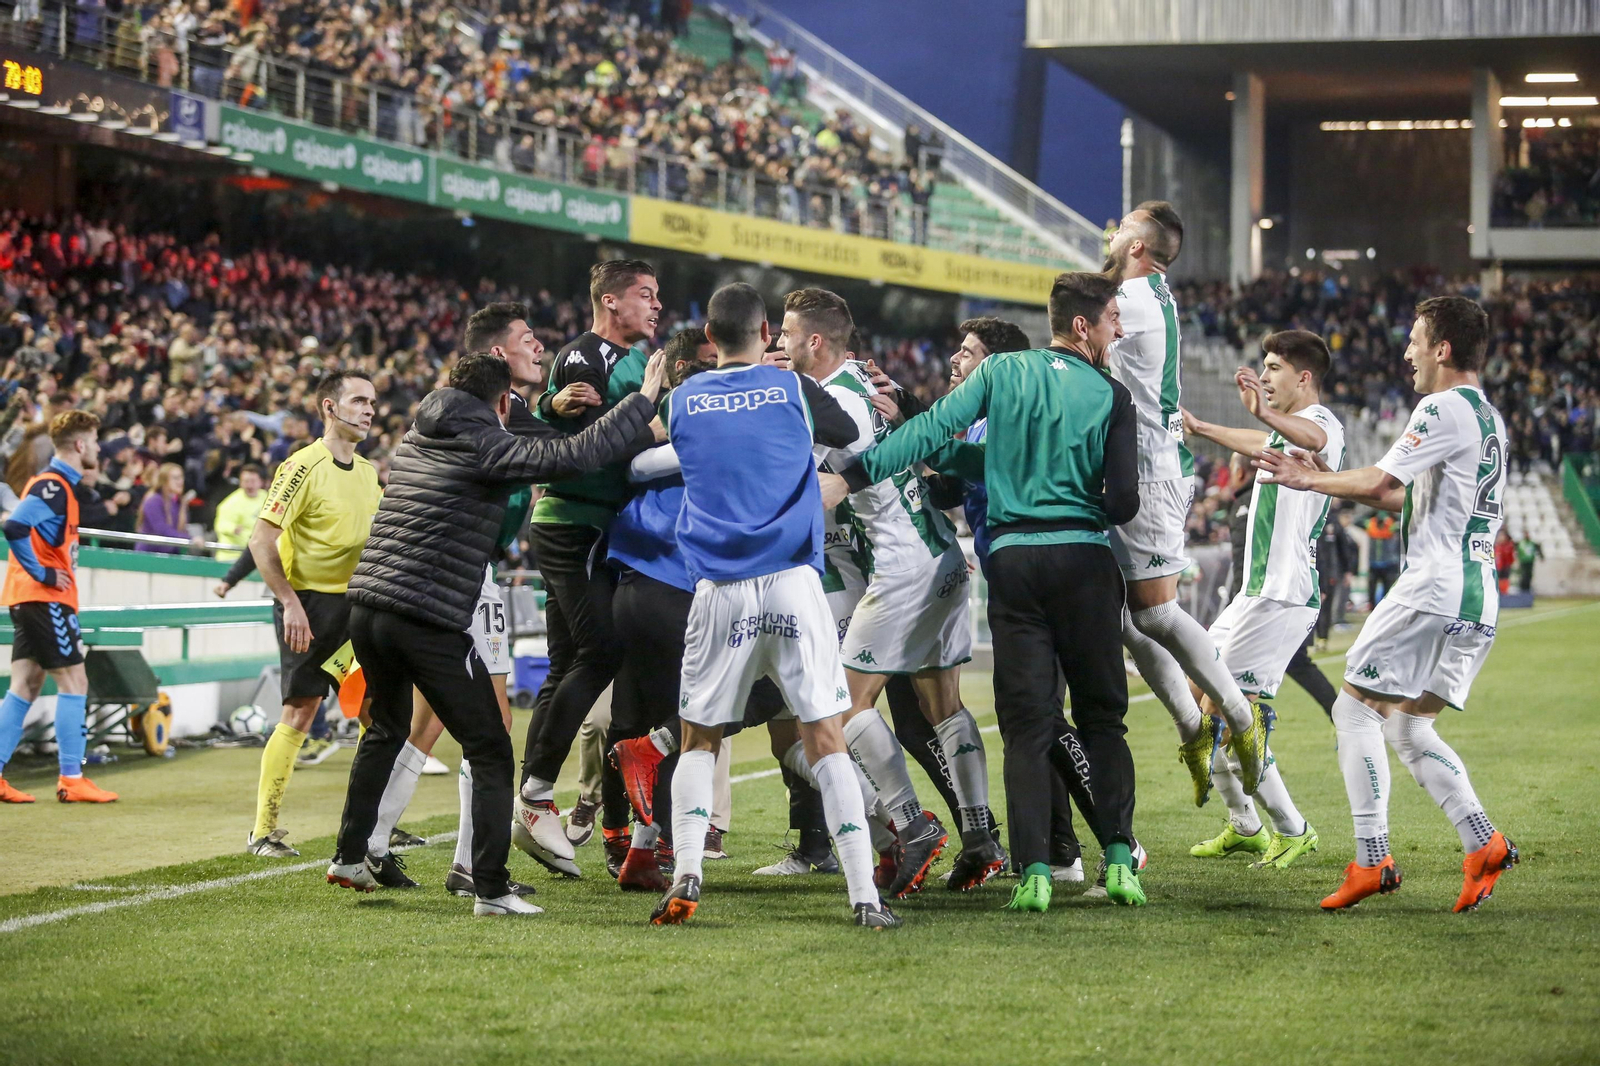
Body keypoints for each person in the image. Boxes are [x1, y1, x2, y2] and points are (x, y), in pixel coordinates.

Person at [824, 270, 1143, 912]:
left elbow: (930, 435)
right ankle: (1118, 859)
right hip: (1082, 560)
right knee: (1103, 718)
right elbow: (1126, 503)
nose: (1120, 331)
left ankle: (1034, 875)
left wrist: (855, 471)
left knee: (1026, 726)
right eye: (1113, 320)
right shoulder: (1112, 394)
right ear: (1083, 325)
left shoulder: (1000, 376)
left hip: (1016, 564)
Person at [329, 351, 665, 915]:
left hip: (367, 605)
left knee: (385, 729)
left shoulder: (417, 435)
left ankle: (349, 855)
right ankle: (488, 887)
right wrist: (643, 400)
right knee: (488, 747)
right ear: (503, 401)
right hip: (425, 614)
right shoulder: (487, 442)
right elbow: (574, 454)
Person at [647, 282, 898, 929]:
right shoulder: (792, 389)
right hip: (792, 581)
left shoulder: (683, 399)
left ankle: (687, 873)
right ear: (766, 334)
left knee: (700, 738)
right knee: (825, 738)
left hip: (718, 590)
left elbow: (651, 453)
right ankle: (864, 895)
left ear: (709, 338)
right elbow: (846, 432)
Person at [1257, 295, 1518, 913]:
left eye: (1415, 339)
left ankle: (1372, 859)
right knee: (1408, 723)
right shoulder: (1489, 420)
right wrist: (1327, 473)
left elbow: (1380, 480)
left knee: (1354, 715)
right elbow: (1402, 500)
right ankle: (1483, 842)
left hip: (1430, 587)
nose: (1407, 352)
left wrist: (1308, 478)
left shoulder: (1440, 406)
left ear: (1442, 349)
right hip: (1476, 596)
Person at [780, 287, 997, 897]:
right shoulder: (873, 385)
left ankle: (910, 824)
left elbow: (808, 475)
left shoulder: (835, 401)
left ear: (814, 341)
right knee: (942, 706)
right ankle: (980, 837)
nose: (781, 344)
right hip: (941, 554)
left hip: (903, 568)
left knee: (844, 710)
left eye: (789, 334)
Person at [361, 302, 560, 890]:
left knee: (426, 723)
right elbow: (558, 456)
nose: (540, 349)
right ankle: (469, 866)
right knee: (487, 722)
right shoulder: (485, 418)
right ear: (498, 356)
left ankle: (373, 846)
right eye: (528, 339)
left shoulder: (481, 411)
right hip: (460, 577)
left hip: (465, 574)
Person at [1103, 202, 1268, 807]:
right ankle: (1194, 730)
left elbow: (1087, 358)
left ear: (1139, 248)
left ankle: (1239, 720)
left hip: (1148, 468)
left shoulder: (1133, 303)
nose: (1112, 230)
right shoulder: (1147, 291)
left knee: (1152, 614)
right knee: (1123, 616)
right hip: (1141, 463)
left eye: (1123, 226)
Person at [924, 316, 1088, 883]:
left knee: (1037, 713)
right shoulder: (972, 420)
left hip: (1040, 580)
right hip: (1010, 578)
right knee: (1033, 715)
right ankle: (1062, 851)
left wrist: (916, 431)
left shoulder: (1009, 417)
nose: (955, 362)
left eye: (966, 353)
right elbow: (952, 488)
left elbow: (983, 475)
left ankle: (1117, 839)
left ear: (995, 366)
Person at [517, 261, 661, 875]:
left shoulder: (636, 359)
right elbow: (604, 440)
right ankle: (535, 792)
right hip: (574, 521)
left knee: (567, 660)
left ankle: (535, 794)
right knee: (600, 654)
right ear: (610, 300)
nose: (655, 307)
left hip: (593, 526)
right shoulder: (587, 357)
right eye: (645, 296)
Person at [1180, 330, 1344, 870]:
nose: (1264, 376)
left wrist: (1266, 417)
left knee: (1224, 713)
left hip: (1282, 595)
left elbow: (1311, 442)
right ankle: (1247, 826)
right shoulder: (1285, 433)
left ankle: (1291, 829)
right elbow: (1262, 444)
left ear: (1304, 378)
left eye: (1274, 368)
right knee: (1193, 698)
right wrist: (1203, 427)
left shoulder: (1323, 425)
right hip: (1253, 594)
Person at [243, 372, 383, 858]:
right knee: (301, 711)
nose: (369, 410)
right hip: (308, 606)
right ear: (330, 407)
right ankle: (264, 830)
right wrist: (289, 604)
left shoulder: (367, 472)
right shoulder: (302, 466)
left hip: (356, 608)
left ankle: (374, 826)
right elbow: (260, 541)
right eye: (359, 401)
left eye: (372, 402)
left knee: (375, 710)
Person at [0, 411, 118, 804]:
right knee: (74, 683)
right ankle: (71, 777)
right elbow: (14, 527)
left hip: (28, 597)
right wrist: (46, 575)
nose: (99, 449)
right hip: (44, 598)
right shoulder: (52, 486)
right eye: (96, 442)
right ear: (80, 445)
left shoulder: (56, 486)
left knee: (26, 684)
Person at [213, 463, 265, 562]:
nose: (249, 485)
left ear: (260, 482)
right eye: (246, 481)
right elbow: (220, 525)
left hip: (260, 555)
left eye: (253, 481)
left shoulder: (268, 499)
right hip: (233, 556)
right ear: (240, 482)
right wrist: (232, 529)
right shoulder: (229, 504)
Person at [135, 462, 192, 552]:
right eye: (176, 478)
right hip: (148, 556)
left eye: (181, 477)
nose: (180, 481)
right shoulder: (153, 501)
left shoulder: (179, 503)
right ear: (164, 481)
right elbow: (162, 530)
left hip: (169, 556)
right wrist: (190, 539)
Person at [1364, 513, 1401, 605]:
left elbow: (1401, 522)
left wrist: (1392, 517)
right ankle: (1372, 606)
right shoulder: (1371, 527)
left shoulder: (1392, 527)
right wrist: (1373, 513)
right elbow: (1357, 521)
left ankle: (1386, 605)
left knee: (1388, 589)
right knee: (1371, 589)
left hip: (1389, 563)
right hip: (1374, 563)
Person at [1494, 529, 1515, 594]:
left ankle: (1504, 592)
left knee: (1504, 579)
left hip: (1505, 566)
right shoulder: (1496, 546)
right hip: (1497, 566)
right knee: (1497, 579)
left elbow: (1510, 557)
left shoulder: (1508, 546)